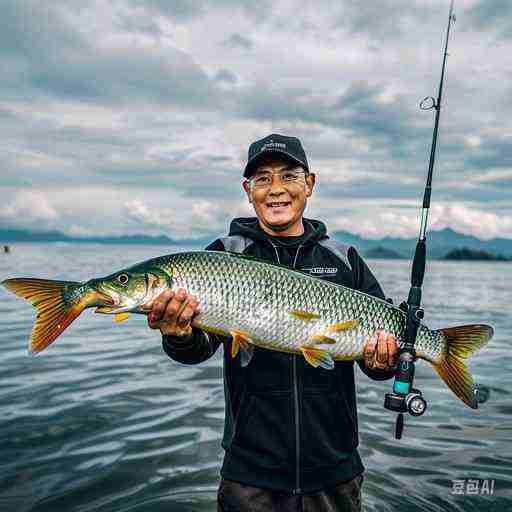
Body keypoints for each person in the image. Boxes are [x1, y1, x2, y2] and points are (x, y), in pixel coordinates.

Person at [148, 134, 399, 512]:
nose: (276, 189)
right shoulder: (223, 256)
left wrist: (383, 363)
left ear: (309, 184)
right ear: (248, 191)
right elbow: (197, 348)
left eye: (289, 176)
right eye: (263, 179)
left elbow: (377, 357)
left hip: (335, 465)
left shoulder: (344, 258)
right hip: (251, 471)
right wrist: (178, 335)